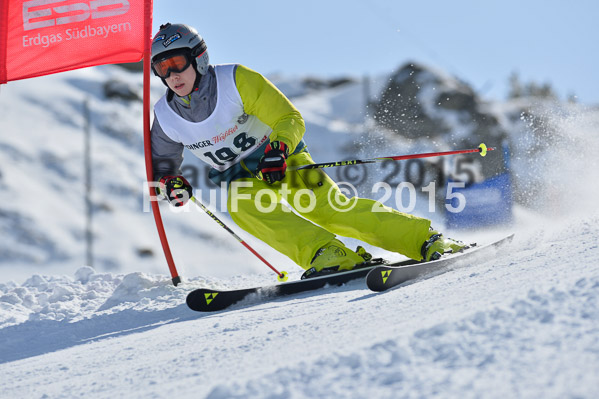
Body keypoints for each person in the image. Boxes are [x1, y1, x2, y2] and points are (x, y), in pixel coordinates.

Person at [150, 23, 464, 277]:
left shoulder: (236, 81)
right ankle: (328, 254)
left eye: (177, 63)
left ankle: (425, 240)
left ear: (198, 58)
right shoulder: (165, 116)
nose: (172, 75)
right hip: (238, 176)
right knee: (242, 207)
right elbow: (163, 161)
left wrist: (279, 149)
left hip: (279, 158)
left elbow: (289, 117)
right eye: (162, 68)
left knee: (326, 208)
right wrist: (171, 181)